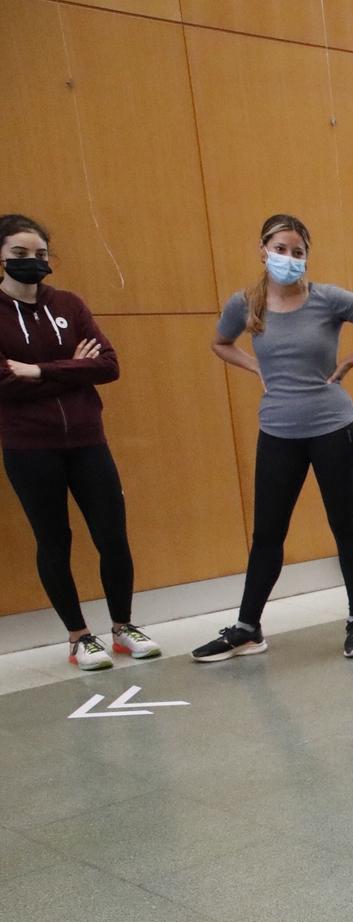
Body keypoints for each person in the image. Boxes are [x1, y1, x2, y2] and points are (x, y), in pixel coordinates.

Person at [193, 213, 353, 662]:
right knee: (268, 533)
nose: (289, 258)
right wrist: (254, 367)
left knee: (343, 526)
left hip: (334, 429)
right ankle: (248, 628)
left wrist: (349, 363)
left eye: (298, 252)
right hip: (278, 432)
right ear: (263, 250)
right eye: (280, 249)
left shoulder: (328, 299)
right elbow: (220, 343)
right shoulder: (245, 304)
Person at [0, 213, 160, 671]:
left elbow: (108, 365)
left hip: (89, 441)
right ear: (1, 257)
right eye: (19, 254)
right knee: (54, 541)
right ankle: (79, 636)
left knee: (112, 535)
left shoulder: (69, 304)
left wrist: (39, 370)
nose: (32, 262)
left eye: (40, 254)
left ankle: (123, 627)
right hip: (29, 447)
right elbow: (2, 382)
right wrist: (70, 368)